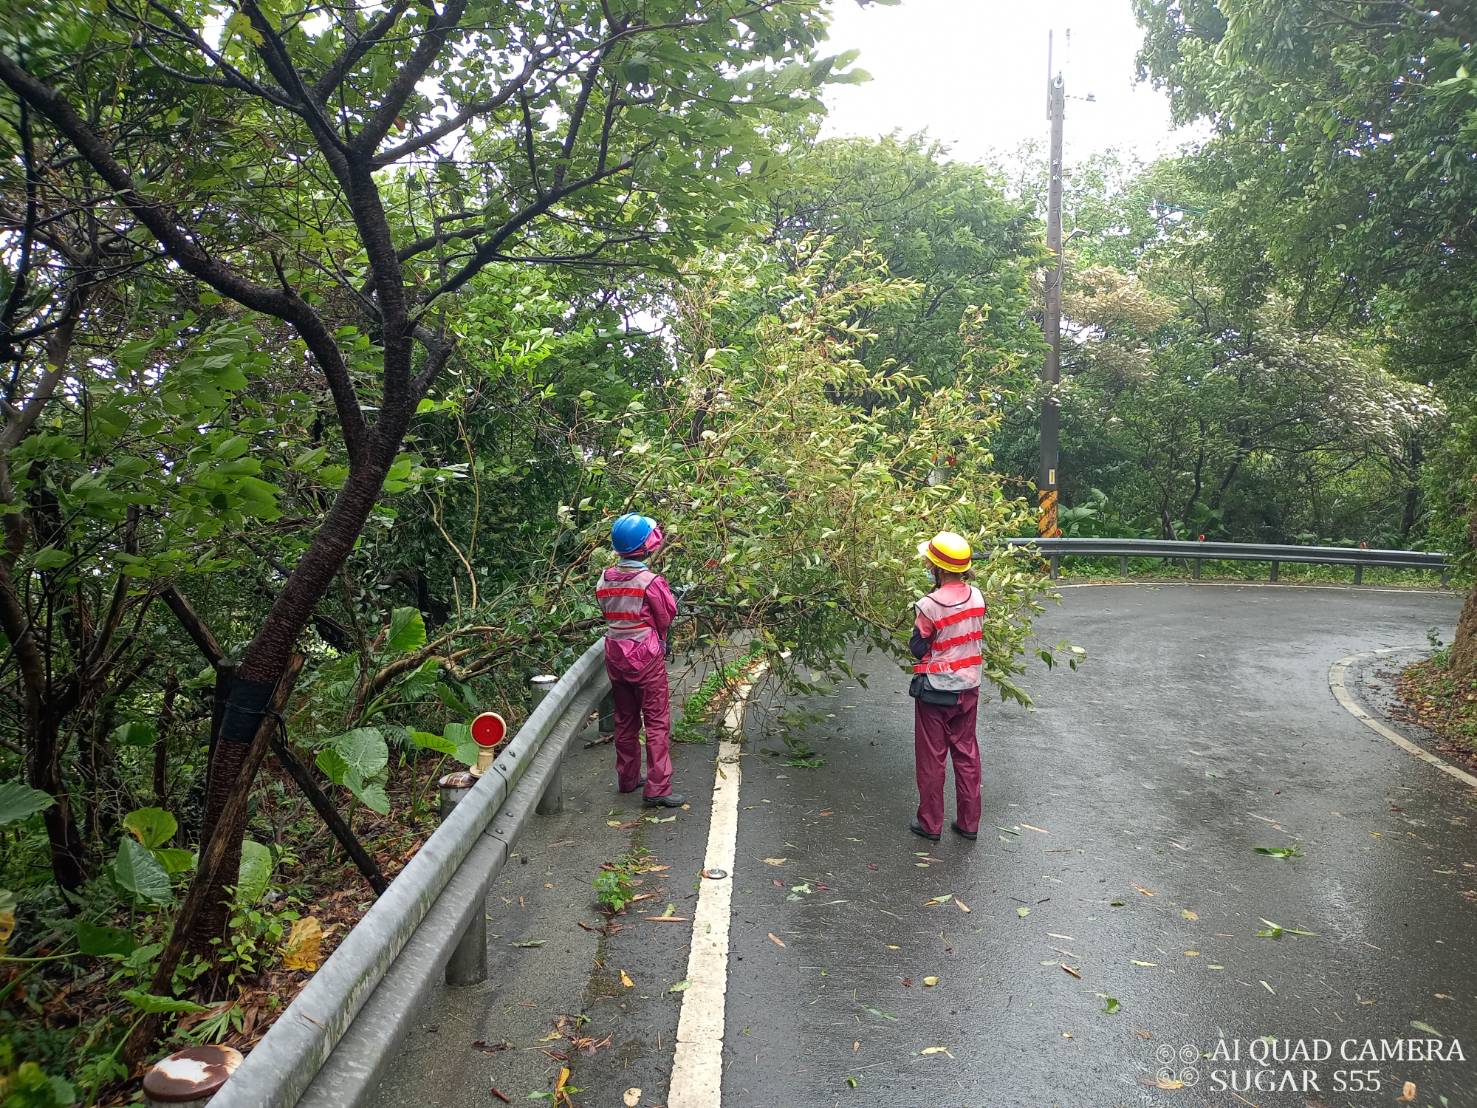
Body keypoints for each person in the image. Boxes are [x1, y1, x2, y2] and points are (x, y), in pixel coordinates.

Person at [596, 513, 684, 808]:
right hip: (645, 657)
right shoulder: (651, 581)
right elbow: (666, 616)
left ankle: (628, 778)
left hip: (615, 654)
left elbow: (606, 610)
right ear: (645, 546)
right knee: (656, 720)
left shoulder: (604, 578)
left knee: (625, 718)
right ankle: (658, 788)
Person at [907, 531, 985, 842]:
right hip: (969, 687)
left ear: (937, 568)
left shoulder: (929, 605)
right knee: (966, 754)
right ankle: (969, 823)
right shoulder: (978, 596)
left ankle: (930, 824)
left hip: (936, 692)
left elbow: (917, 646)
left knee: (932, 758)